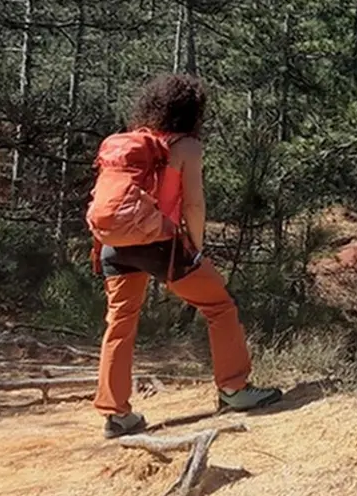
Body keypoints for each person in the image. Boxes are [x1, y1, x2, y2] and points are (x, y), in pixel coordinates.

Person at [94, 74, 281, 438]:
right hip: (159, 244)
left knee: (119, 325)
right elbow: (193, 204)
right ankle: (234, 389)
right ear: (192, 112)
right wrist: (195, 248)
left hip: (113, 244)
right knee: (220, 306)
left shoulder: (127, 143)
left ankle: (116, 414)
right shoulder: (186, 146)